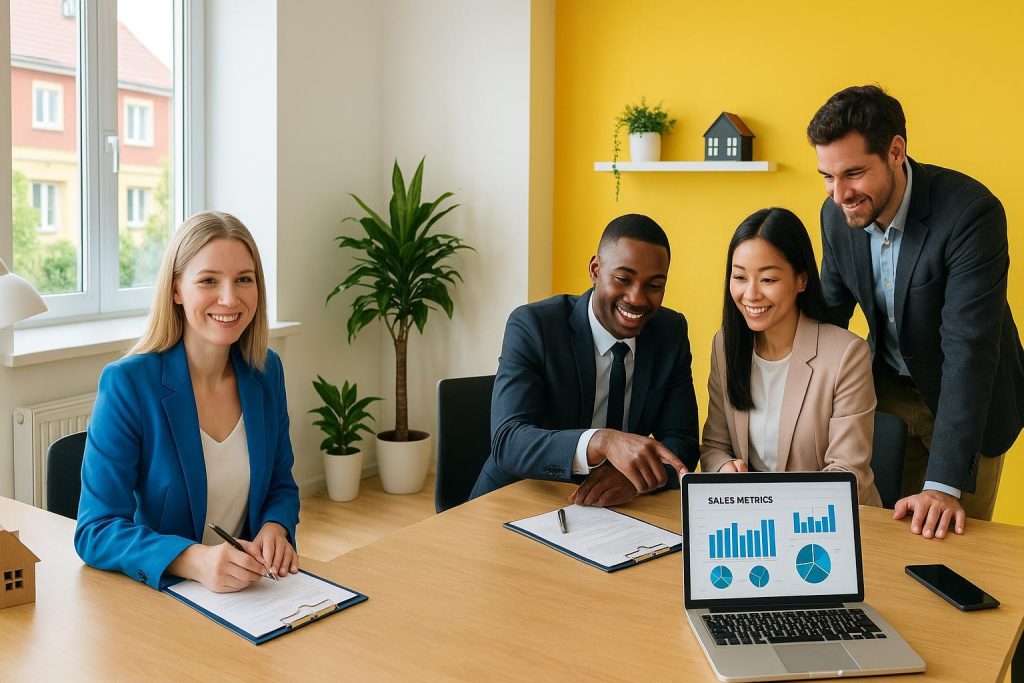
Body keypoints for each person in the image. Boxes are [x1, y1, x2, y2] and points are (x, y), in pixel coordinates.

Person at [808, 85, 1024, 538]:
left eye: (853, 173)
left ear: (895, 151)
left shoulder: (971, 214)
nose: (839, 193)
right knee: (875, 538)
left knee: (949, 548)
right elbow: (828, 317)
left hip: (966, 400)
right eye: (827, 176)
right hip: (884, 392)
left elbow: (969, 348)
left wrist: (944, 485)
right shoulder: (837, 216)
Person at [75, 211, 300, 592]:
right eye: (209, 280)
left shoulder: (266, 371)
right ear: (177, 290)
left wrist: (276, 527)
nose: (229, 298)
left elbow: (280, 483)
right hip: (164, 598)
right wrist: (194, 560)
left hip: (251, 595)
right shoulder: (128, 383)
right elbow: (95, 530)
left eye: (243, 279)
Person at [469, 213, 699, 507]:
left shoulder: (670, 332)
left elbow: (683, 443)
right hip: (519, 497)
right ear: (595, 269)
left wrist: (632, 477)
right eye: (623, 279)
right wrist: (601, 442)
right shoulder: (534, 326)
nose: (637, 298)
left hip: (614, 509)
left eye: (654, 285)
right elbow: (508, 441)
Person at [700, 208, 882, 506]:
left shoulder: (846, 355)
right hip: (754, 523)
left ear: (801, 280)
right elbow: (715, 446)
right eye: (740, 277)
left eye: (768, 279)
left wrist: (774, 504)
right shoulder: (725, 345)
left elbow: (847, 473)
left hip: (827, 526)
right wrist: (724, 468)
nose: (751, 294)